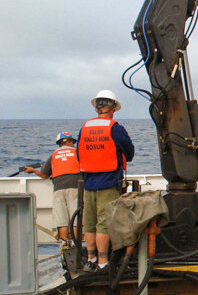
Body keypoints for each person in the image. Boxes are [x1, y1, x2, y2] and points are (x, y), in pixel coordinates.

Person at [77, 90, 134, 272]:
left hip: (88, 182)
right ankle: (103, 262)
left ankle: (90, 259)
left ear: (97, 107)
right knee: (104, 222)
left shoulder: (85, 127)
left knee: (89, 222)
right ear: (113, 108)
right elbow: (129, 152)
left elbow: (79, 153)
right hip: (108, 182)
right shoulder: (115, 128)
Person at [25, 131, 81, 244]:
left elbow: (44, 175)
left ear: (59, 143)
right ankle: (77, 246)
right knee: (76, 220)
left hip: (59, 189)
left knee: (62, 221)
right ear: (69, 142)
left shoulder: (54, 154)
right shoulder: (78, 153)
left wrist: (33, 170)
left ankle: (65, 247)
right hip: (76, 187)